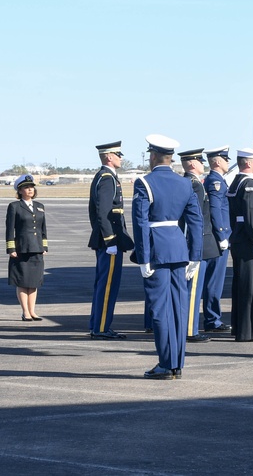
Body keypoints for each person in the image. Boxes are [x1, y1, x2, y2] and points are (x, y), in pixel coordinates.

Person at [132, 135, 203, 379]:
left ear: (152, 156)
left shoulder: (144, 182)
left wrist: (143, 258)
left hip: (156, 251)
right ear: (171, 157)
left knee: (160, 309)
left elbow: (141, 223)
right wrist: (195, 256)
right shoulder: (185, 183)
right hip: (179, 249)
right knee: (179, 309)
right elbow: (195, 222)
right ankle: (177, 363)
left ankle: (165, 363)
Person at [87, 141, 135, 339]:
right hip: (110, 241)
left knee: (103, 285)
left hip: (109, 240)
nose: (121, 157)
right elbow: (104, 212)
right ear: (108, 157)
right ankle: (101, 328)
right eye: (118, 154)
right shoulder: (107, 178)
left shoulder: (106, 177)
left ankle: (98, 325)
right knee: (107, 286)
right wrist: (110, 240)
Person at [228, 148, 253, 342]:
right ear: (247, 163)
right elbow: (251, 214)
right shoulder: (250, 183)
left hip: (240, 238)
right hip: (249, 240)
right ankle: (249, 332)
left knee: (241, 286)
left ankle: (240, 328)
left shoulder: (238, 181)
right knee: (250, 288)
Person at [178, 148, 219, 343]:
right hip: (195, 243)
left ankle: (188, 327)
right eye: (201, 161)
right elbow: (193, 220)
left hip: (194, 242)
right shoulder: (194, 185)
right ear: (193, 164)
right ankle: (189, 330)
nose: (204, 165)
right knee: (192, 290)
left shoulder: (189, 183)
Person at [5, 174, 48, 321]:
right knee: (23, 281)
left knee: (34, 282)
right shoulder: (15, 206)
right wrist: (11, 249)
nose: (30, 190)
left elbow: (43, 229)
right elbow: (10, 229)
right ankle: (25, 312)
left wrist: (44, 246)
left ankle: (33, 311)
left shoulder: (39, 206)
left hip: (36, 248)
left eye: (31, 187)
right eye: (26, 187)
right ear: (20, 190)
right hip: (22, 248)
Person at [201, 145, 232, 333]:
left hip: (218, 236)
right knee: (214, 281)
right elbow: (215, 210)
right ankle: (212, 319)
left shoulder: (218, 180)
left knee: (215, 281)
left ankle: (213, 317)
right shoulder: (215, 182)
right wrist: (222, 235)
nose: (228, 163)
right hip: (217, 238)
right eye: (226, 159)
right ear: (218, 162)